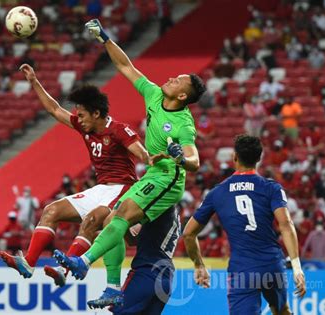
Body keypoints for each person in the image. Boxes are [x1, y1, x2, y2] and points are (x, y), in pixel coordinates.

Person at [54, 18, 205, 309]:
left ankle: (83, 262)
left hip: (169, 179)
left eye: (177, 81)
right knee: (114, 218)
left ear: (183, 96)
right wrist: (105, 38)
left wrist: (178, 156)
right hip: (151, 173)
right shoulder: (155, 94)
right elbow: (126, 66)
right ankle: (110, 286)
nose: (171, 79)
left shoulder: (183, 124)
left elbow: (195, 161)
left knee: (120, 215)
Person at [0, 63, 149, 289]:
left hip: (123, 188)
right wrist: (34, 82)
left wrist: (152, 159)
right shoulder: (85, 126)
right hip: (101, 188)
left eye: (82, 115)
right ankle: (28, 263)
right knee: (51, 210)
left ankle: (63, 270)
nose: (79, 119)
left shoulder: (119, 130)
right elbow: (55, 110)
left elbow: (142, 153)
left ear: (96, 113)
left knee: (92, 220)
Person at [182, 135, 306, 315]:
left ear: (234, 157)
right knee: (282, 310)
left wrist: (199, 265)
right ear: (258, 158)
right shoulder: (271, 188)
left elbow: (188, 233)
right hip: (271, 264)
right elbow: (286, 224)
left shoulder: (217, 193)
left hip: (242, 269)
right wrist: (297, 267)